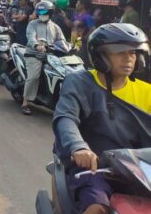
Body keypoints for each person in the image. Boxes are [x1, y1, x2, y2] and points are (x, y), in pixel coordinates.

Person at [53, 23, 151, 214]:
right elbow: (66, 117)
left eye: (132, 53)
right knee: (96, 207)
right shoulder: (79, 82)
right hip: (94, 167)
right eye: (119, 53)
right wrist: (78, 146)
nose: (128, 59)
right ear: (100, 56)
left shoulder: (146, 91)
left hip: (137, 170)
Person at [21, 0, 66, 115]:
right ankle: (25, 102)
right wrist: (36, 45)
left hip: (51, 56)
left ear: (51, 13)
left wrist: (69, 46)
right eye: (40, 12)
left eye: (44, 13)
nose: (42, 15)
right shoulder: (32, 24)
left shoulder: (55, 27)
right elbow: (30, 37)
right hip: (34, 55)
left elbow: (62, 41)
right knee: (33, 77)